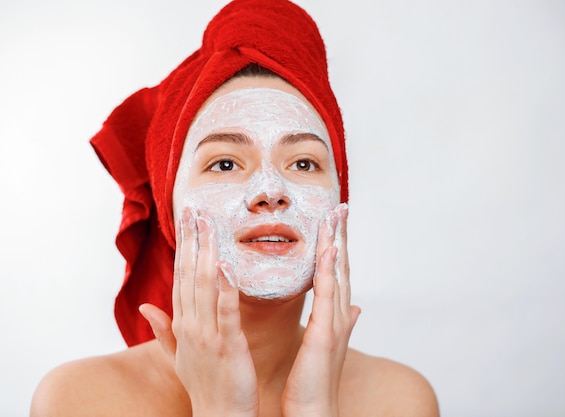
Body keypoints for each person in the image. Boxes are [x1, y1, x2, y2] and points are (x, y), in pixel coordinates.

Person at [31, 1, 439, 416]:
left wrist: (315, 408)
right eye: (224, 163)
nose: (271, 190)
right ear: (168, 209)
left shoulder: (400, 400)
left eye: (303, 162)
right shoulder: (80, 400)